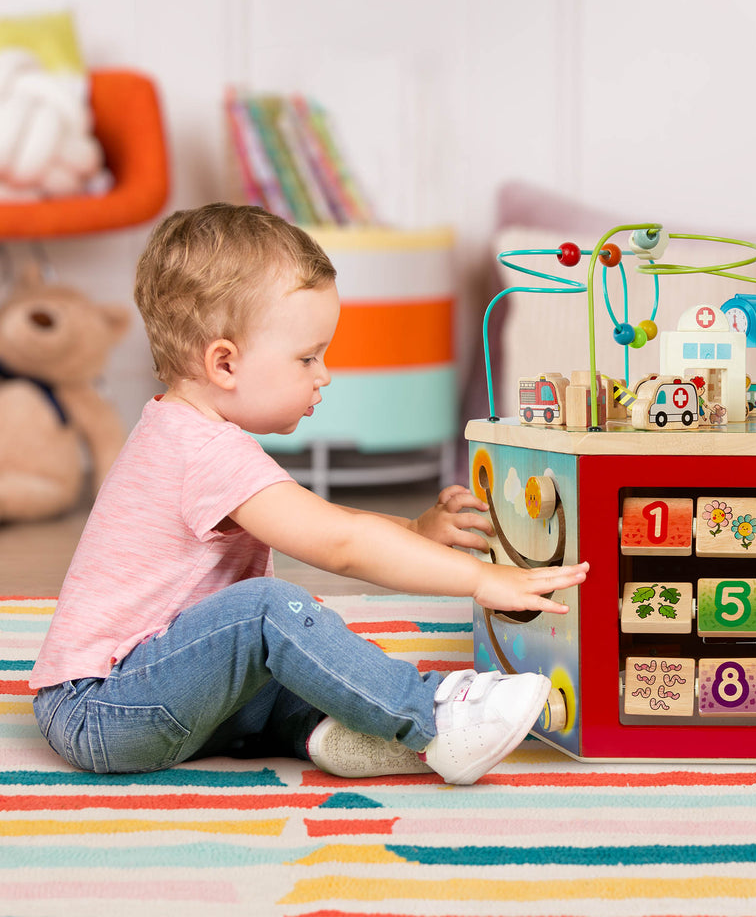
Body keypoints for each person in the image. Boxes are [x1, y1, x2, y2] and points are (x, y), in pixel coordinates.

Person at [31, 203, 587, 785]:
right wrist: (480, 579)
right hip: (100, 708)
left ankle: (334, 736)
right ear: (224, 363)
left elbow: (323, 519)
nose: (323, 374)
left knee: (292, 657)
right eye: (307, 357)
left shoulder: (188, 431)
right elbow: (338, 544)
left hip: (155, 693)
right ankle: (433, 719)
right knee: (269, 610)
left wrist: (415, 533)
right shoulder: (203, 450)